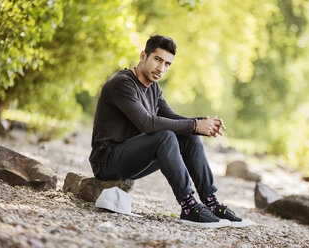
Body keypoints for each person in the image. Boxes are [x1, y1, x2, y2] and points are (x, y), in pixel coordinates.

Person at [89, 34, 252, 228]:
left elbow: (173, 118)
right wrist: (194, 125)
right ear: (143, 56)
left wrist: (200, 123)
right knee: (166, 136)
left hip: (131, 158)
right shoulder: (122, 83)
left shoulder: (154, 89)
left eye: (167, 64)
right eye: (157, 60)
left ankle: (211, 202)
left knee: (189, 137)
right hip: (107, 161)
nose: (161, 68)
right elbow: (147, 124)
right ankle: (189, 205)